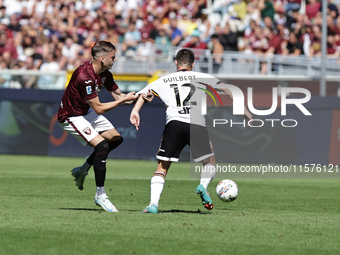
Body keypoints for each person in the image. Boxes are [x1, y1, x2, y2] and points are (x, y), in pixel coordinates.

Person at [130, 49, 252, 214]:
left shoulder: (164, 79)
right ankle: (202, 185)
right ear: (193, 64)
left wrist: (135, 111)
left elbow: (143, 95)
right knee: (209, 163)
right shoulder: (201, 76)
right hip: (196, 123)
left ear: (176, 63)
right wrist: (245, 111)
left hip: (174, 123)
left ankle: (153, 204)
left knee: (162, 168)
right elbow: (228, 90)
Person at [57, 41, 152, 213]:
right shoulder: (84, 76)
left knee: (116, 139)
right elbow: (99, 108)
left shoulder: (105, 74)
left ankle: (83, 169)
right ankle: (100, 195)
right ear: (102, 58)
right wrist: (122, 100)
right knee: (102, 145)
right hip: (71, 116)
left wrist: (140, 96)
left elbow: (120, 96)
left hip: (86, 112)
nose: (114, 60)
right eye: (113, 57)